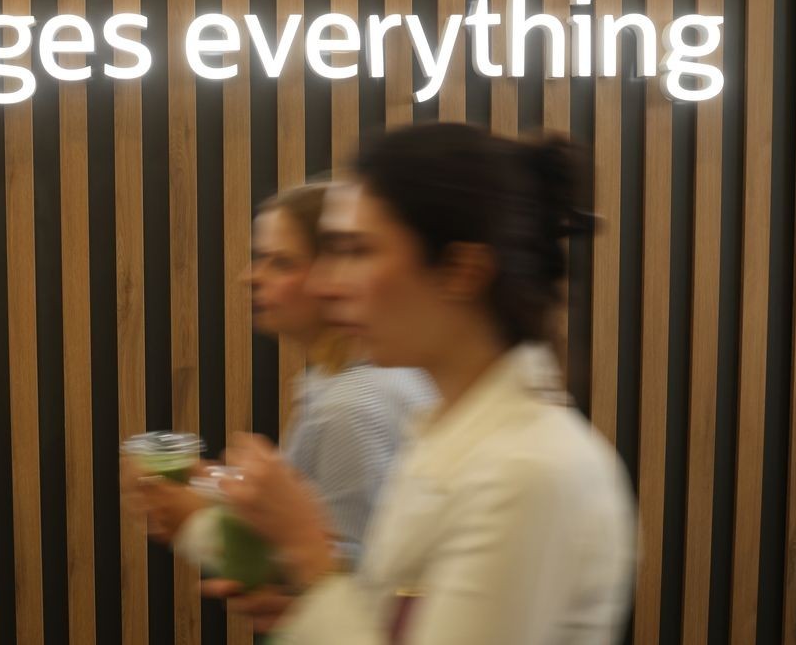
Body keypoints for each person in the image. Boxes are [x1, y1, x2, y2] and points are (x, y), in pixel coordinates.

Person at [214, 124, 637, 644]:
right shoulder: (445, 433)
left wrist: (308, 553)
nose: (325, 284)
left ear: (461, 270)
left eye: (357, 251)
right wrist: (306, 605)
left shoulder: (526, 471)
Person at [122, 183, 434, 565]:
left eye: (281, 263)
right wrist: (213, 486)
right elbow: (312, 523)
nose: (249, 277)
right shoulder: (362, 378)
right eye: (259, 258)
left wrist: (198, 524)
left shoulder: (348, 407)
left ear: (334, 276)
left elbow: (345, 575)